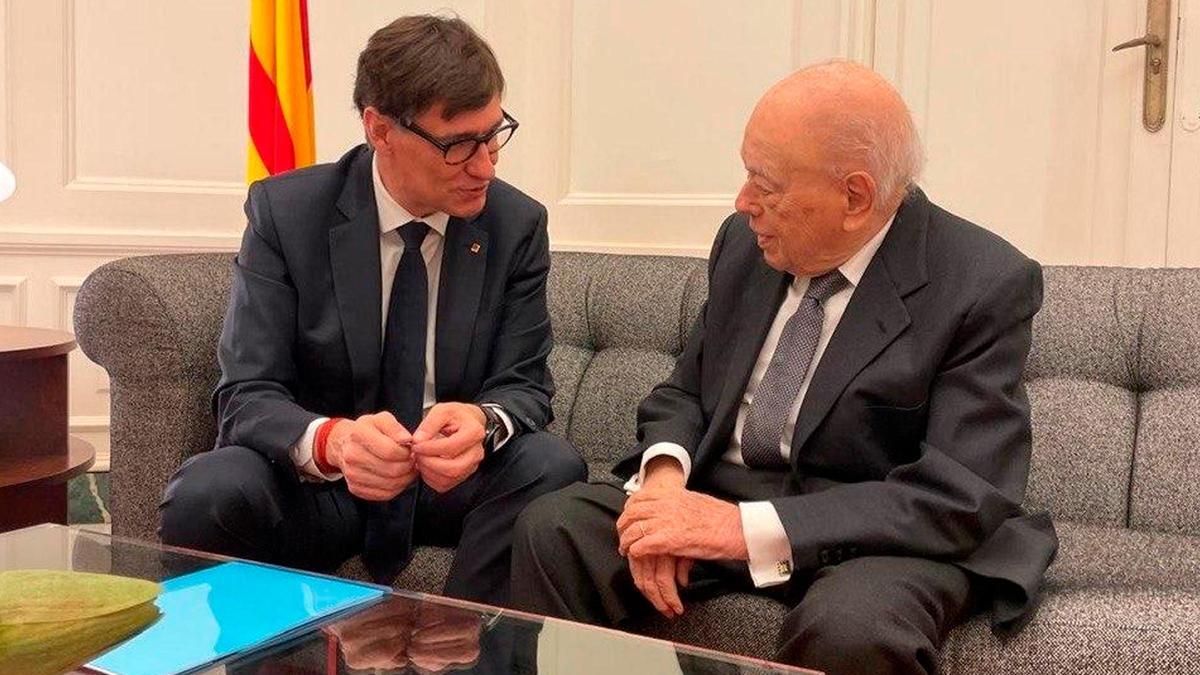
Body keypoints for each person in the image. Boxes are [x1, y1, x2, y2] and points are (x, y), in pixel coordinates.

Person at [509, 60, 1058, 673]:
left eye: (765, 184)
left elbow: (959, 496)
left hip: (874, 534)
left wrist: (738, 530)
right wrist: (663, 490)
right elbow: (686, 393)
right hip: (722, 490)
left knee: (852, 629)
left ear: (855, 197)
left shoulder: (981, 282)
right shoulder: (746, 244)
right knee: (556, 529)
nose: (744, 203)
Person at [160, 15, 585, 607]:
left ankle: (464, 653)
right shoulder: (288, 213)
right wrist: (333, 441)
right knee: (209, 489)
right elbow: (248, 394)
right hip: (326, 485)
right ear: (380, 129)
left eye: (493, 136)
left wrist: (483, 424)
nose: (485, 165)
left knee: (550, 464)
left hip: (450, 485)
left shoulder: (515, 225)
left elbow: (525, 387)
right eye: (459, 145)